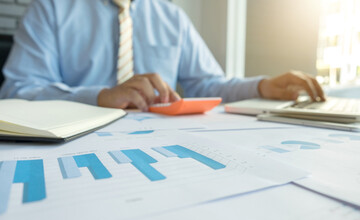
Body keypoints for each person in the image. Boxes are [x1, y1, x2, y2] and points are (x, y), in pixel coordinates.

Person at [0, 0, 325, 111]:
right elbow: (17, 90)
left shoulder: (172, 17)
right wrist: (99, 96)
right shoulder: (51, 9)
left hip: (158, 147)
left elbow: (207, 83)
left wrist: (262, 87)